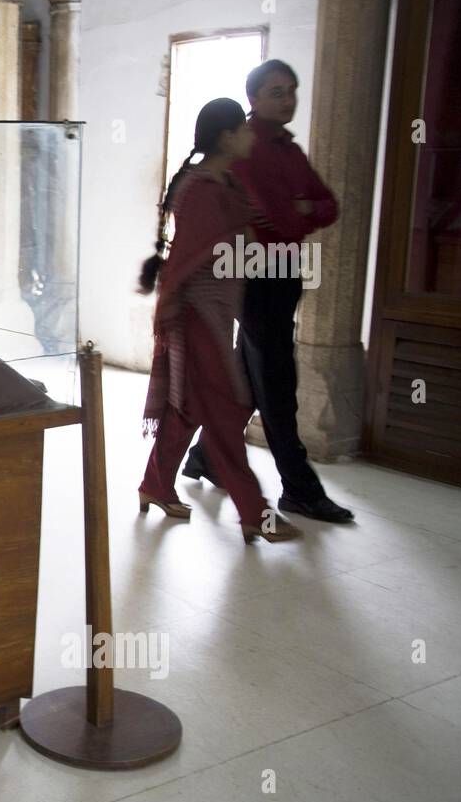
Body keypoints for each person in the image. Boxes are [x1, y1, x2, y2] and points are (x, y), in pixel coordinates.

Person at [182, 60, 354, 523]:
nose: (287, 98)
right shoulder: (248, 146)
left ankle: (207, 457)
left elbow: (328, 204)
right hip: (257, 273)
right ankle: (298, 487)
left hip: (283, 272)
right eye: (276, 91)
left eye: (292, 90)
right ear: (254, 98)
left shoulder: (288, 148)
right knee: (277, 380)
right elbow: (275, 219)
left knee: (253, 371)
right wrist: (300, 212)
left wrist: (300, 211)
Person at [138, 97, 301, 544]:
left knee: (190, 408)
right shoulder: (206, 189)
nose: (250, 134)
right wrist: (169, 309)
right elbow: (191, 258)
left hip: (212, 315)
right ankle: (256, 514)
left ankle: (155, 484)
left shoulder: (223, 184)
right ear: (227, 136)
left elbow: (237, 247)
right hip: (198, 317)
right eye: (243, 129)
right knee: (227, 413)